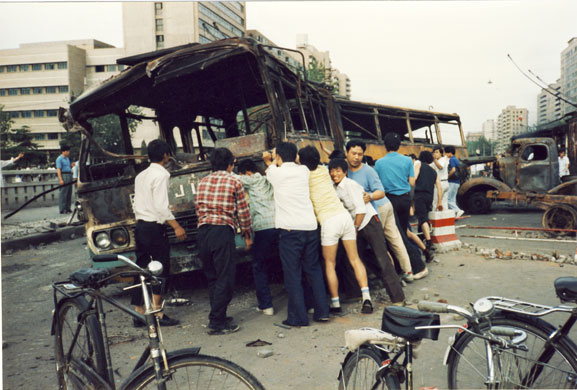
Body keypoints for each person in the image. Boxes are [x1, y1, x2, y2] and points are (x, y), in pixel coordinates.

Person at [298, 145, 373, 314]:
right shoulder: (325, 171)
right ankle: (366, 297)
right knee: (355, 259)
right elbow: (334, 157)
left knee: (329, 263)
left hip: (329, 222)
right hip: (345, 217)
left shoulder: (303, 176)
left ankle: (335, 303)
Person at [264, 142, 329, 326]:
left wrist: (269, 158)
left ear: (279, 157)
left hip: (290, 230)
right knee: (314, 270)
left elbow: (269, 165)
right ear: (296, 157)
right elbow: (288, 162)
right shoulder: (304, 171)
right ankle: (322, 311)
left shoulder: (275, 172)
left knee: (292, 273)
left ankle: (298, 318)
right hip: (310, 226)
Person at [328, 158, 405, 305]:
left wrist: (355, 228)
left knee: (382, 258)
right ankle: (355, 294)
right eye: (331, 171)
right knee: (352, 259)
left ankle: (397, 297)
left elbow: (361, 209)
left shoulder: (351, 185)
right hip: (354, 224)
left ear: (345, 172)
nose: (334, 174)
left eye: (337, 170)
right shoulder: (334, 188)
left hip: (368, 221)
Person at [196, 148, 252, 335]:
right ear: (230, 164)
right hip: (222, 231)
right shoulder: (234, 180)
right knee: (225, 277)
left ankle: (218, 314)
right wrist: (247, 233)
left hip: (203, 232)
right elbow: (243, 211)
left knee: (212, 277)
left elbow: (198, 208)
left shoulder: (202, 181)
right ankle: (217, 322)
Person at [132, 139, 187, 328]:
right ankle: (158, 313)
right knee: (160, 269)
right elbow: (161, 207)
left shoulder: (140, 176)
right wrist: (176, 226)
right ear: (166, 155)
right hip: (155, 228)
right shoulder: (162, 174)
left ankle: (139, 312)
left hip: (140, 227)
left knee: (141, 268)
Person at [344, 140, 414, 282]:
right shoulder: (344, 170)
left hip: (379, 207)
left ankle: (393, 276)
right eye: (353, 153)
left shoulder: (368, 170)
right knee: (394, 240)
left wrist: (369, 196)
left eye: (360, 154)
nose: (356, 157)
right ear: (346, 153)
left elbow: (381, 192)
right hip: (384, 206)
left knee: (380, 244)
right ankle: (407, 271)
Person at [374, 134, 429, 279]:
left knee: (396, 236)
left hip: (388, 200)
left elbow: (377, 185)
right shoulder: (407, 160)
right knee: (401, 232)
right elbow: (412, 183)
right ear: (399, 145)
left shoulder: (379, 163)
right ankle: (403, 267)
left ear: (385, 146)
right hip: (405, 200)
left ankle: (418, 266)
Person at [236, 159, 276, 316]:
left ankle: (266, 306)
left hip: (263, 228)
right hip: (279, 225)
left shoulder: (252, 179)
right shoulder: (268, 178)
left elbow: (232, 178)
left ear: (246, 173)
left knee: (259, 265)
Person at [414, 151, 443, 260]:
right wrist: (439, 202)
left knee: (423, 219)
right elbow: (439, 187)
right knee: (422, 218)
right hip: (429, 197)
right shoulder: (433, 171)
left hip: (419, 195)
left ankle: (429, 243)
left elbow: (414, 178)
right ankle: (420, 241)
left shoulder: (418, 165)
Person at [445, 145, 464, 218]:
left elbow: (453, 170)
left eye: (447, 153)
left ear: (450, 153)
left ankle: (457, 210)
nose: (446, 155)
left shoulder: (452, 159)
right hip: (457, 182)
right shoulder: (456, 159)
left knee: (448, 199)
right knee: (452, 199)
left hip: (452, 181)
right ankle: (455, 214)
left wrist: (447, 176)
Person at [430, 146, 449, 211]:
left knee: (436, 202)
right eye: (434, 152)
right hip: (443, 183)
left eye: (437, 152)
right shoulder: (435, 162)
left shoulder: (443, 159)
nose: (435, 154)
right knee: (443, 203)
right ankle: (444, 218)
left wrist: (434, 160)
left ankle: (435, 218)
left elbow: (440, 167)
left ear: (441, 153)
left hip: (441, 183)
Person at [56, 145, 73, 214]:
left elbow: (68, 167)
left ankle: (68, 208)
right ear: (64, 151)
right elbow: (58, 169)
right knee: (63, 193)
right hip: (64, 175)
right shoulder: (59, 159)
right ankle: (62, 208)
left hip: (69, 174)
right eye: (67, 151)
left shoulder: (67, 158)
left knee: (69, 192)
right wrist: (61, 179)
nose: (68, 152)